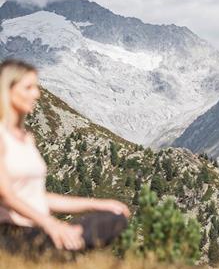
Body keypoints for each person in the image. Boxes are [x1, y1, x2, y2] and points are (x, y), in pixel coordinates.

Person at [0, 59, 130, 258]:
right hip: (10, 230)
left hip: (38, 226)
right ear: (7, 90)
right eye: (28, 87)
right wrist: (51, 224)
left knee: (114, 218)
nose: (36, 94)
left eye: (36, 86)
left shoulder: (27, 139)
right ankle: (57, 248)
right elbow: (6, 195)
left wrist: (97, 204)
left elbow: (38, 197)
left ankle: (62, 245)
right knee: (57, 239)